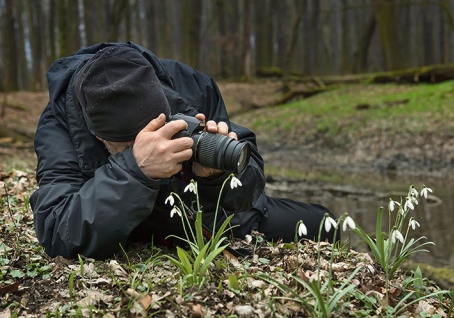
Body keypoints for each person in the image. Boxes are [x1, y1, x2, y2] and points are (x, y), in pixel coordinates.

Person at [30, 41, 337, 259]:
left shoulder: (188, 86)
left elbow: (249, 171)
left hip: (211, 215)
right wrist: (136, 170)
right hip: (134, 227)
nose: (156, 145)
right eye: (132, 142)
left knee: (327, 224)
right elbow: (59, 232)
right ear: (97, 135)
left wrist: (214, 176)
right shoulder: (60, 128)